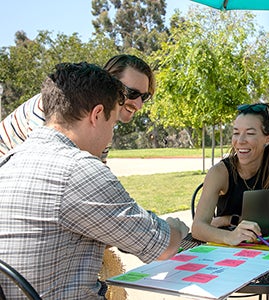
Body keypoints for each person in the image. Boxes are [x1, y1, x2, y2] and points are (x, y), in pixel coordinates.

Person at [0, 62, 189, 299]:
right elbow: (161, 246)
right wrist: (178, 229)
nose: (110, 135)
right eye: (112, 124)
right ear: (97, 114)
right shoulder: (78, 169)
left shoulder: (10, 161)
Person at [0, 54, 154, 163]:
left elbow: (96, 173)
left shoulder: (103, 125)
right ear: (110, 82)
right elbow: (43, 169)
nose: (139, 104)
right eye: (132, 93)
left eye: (144, 96)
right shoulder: (56, 107)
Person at [191, 103, 269, 246]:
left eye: (250, 133)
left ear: (268, 139)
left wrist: (229, 219)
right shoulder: (219, 172)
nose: (240, 141)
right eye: (236, 133)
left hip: (266, 245)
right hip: (228, 251)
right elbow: (197, 228)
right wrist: (230, 237)